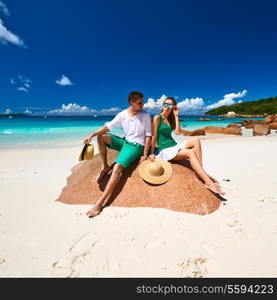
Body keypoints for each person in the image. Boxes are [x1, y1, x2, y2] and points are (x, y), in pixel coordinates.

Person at [83, 91, 152, 217]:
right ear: (131, 102)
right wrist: (91, 135)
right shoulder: (122, 115)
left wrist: (145, 154)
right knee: (102, 137)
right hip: (125, 142)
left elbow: (148, 135)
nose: (143, 105)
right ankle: (104, 166)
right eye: (140, 102)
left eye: (143, 102)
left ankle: (100, 203)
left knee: (117, 167)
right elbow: (108, 126)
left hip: (137, 146)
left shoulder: (146, 115)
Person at [148, 97, 225, 195]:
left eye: (170, 105)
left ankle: (199, 171)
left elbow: (178, 132)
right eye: (165, 104)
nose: (167, 107)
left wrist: (176, 115)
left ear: (173, 108)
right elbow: (153, 136)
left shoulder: (170, 119)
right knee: (190, 152)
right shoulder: (157, 117)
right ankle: (209, 183)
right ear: (162, 105)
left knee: (196, 140)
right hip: (166, 150)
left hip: (174, 145)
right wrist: (151, 153)